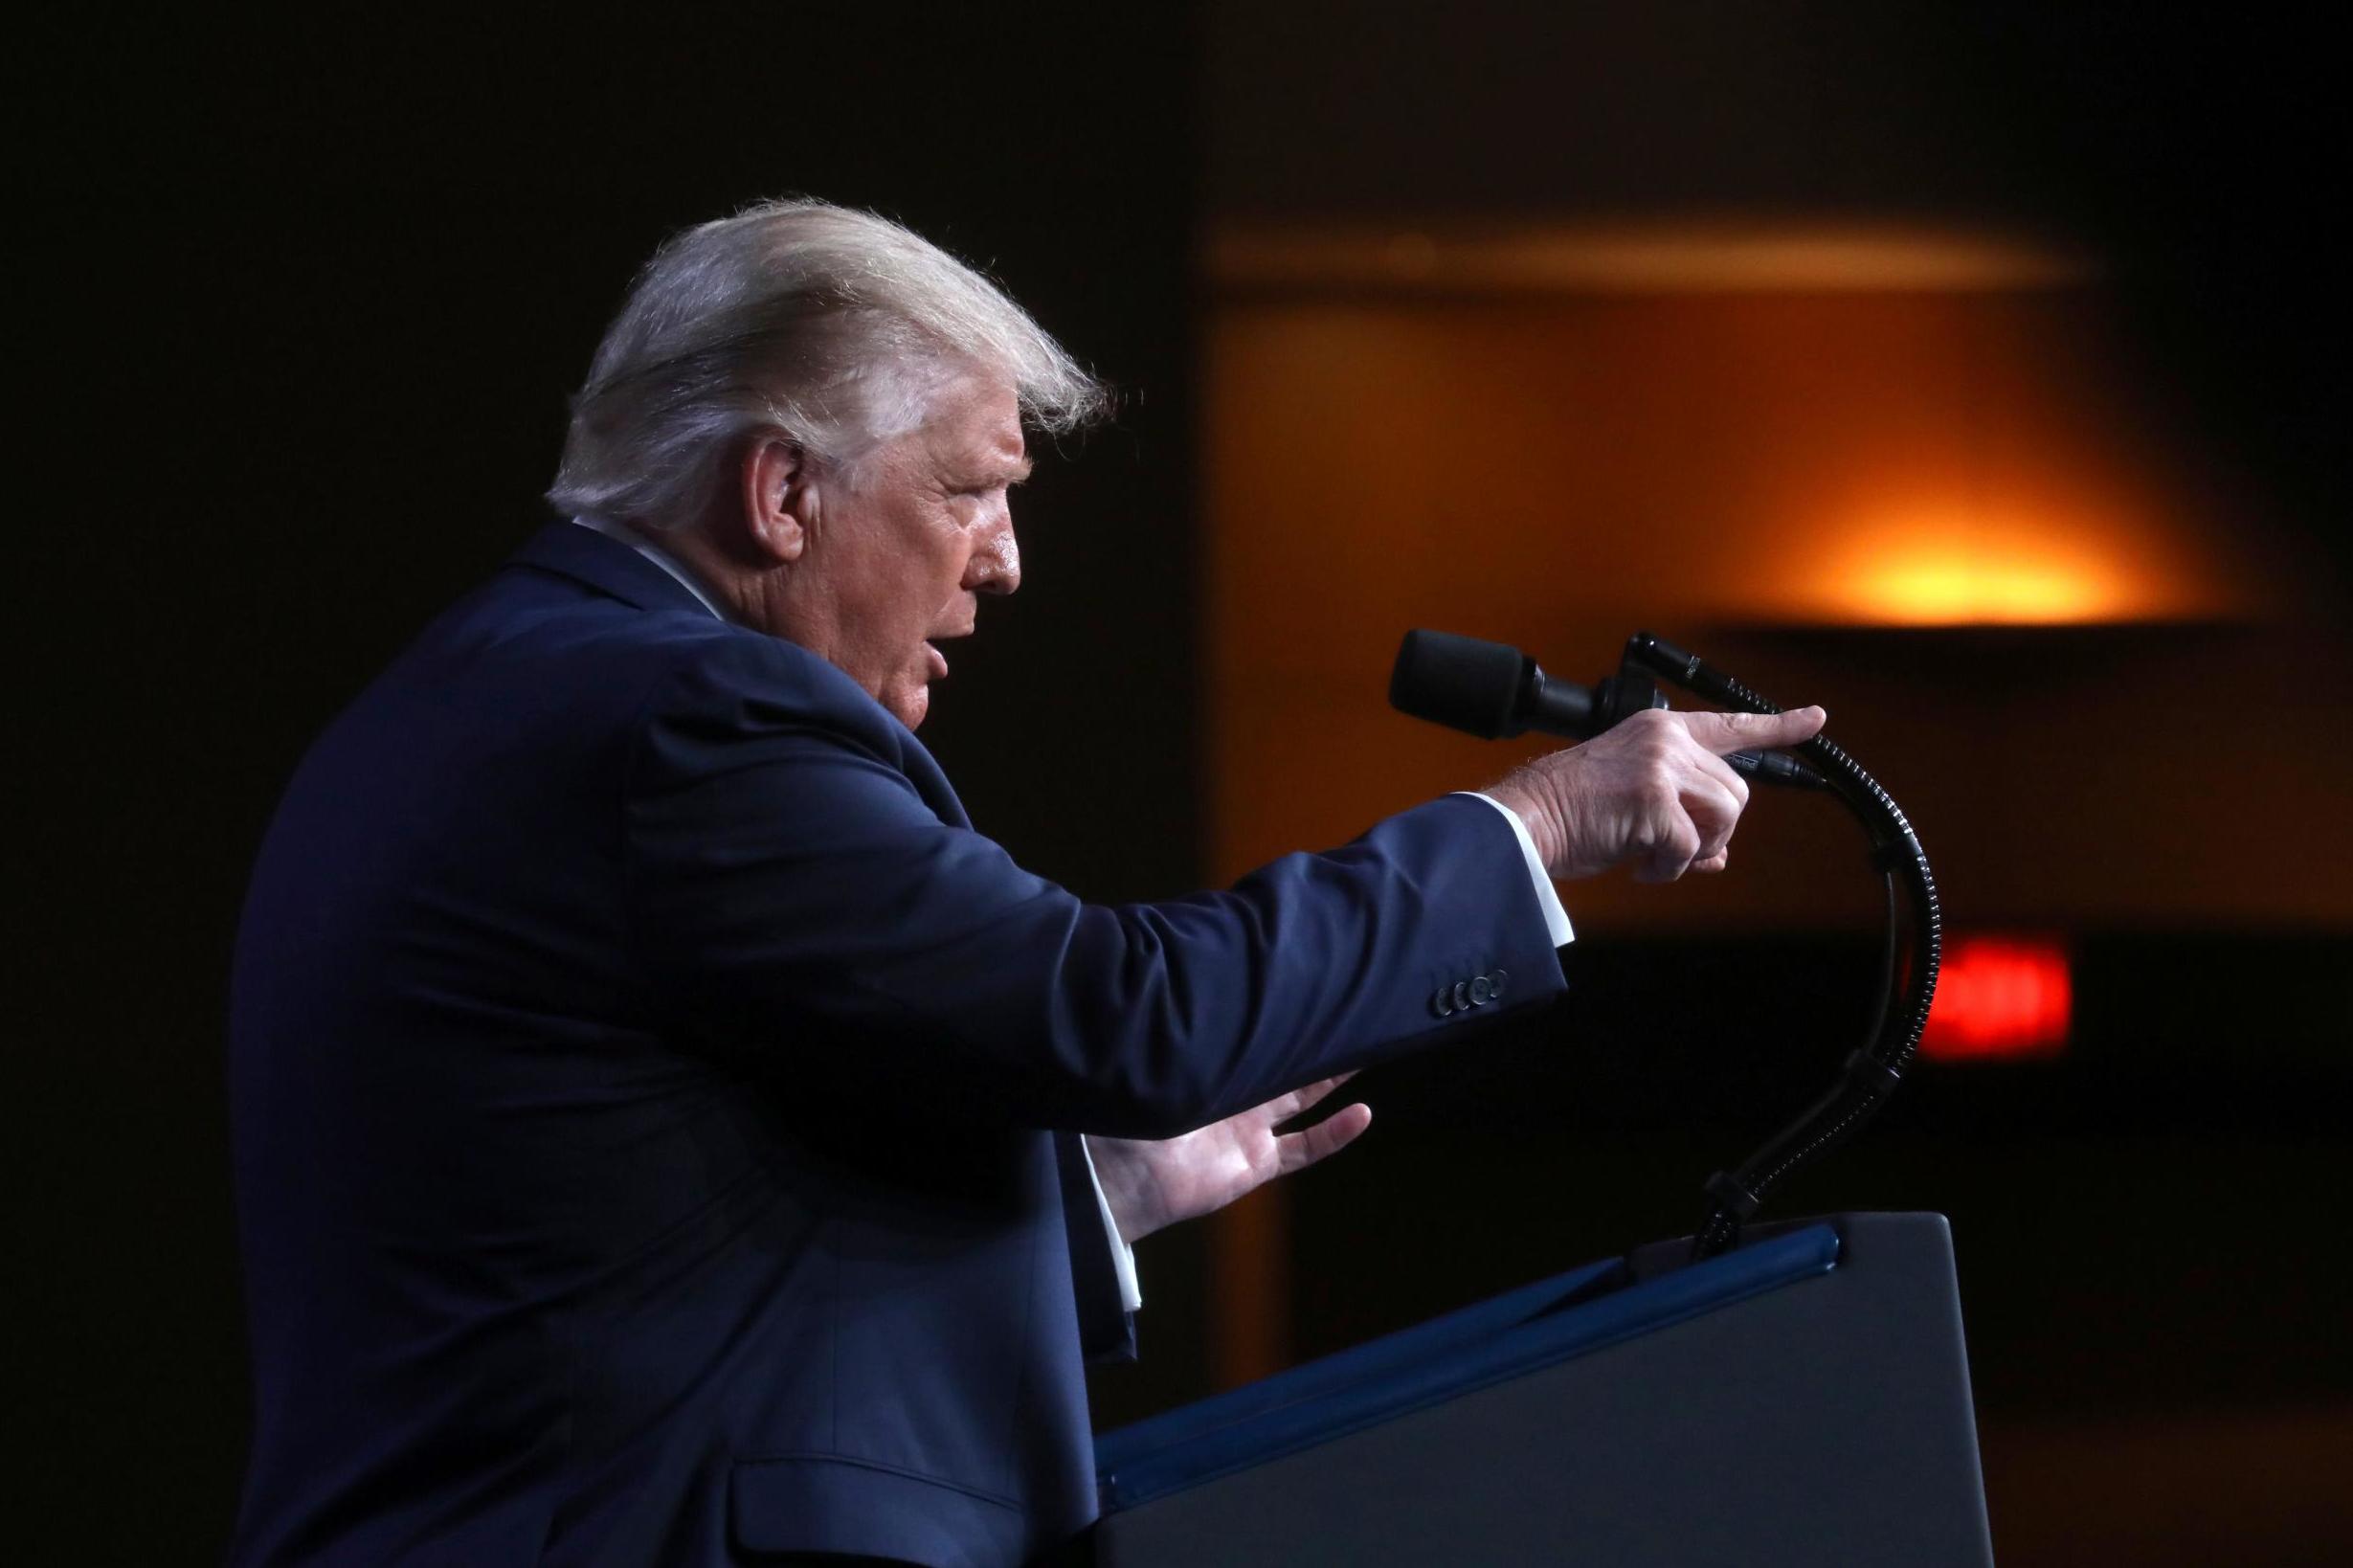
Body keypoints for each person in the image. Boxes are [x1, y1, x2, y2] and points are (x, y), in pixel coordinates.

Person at [227, 199, 1823, 1567]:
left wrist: (1089, 1198)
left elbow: (626, 1266)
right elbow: (1116, 1010)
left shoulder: (495, 690)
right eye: (967, 488)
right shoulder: (681, 720)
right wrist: (1536, 820)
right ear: (779, 494)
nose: (1004, 559)